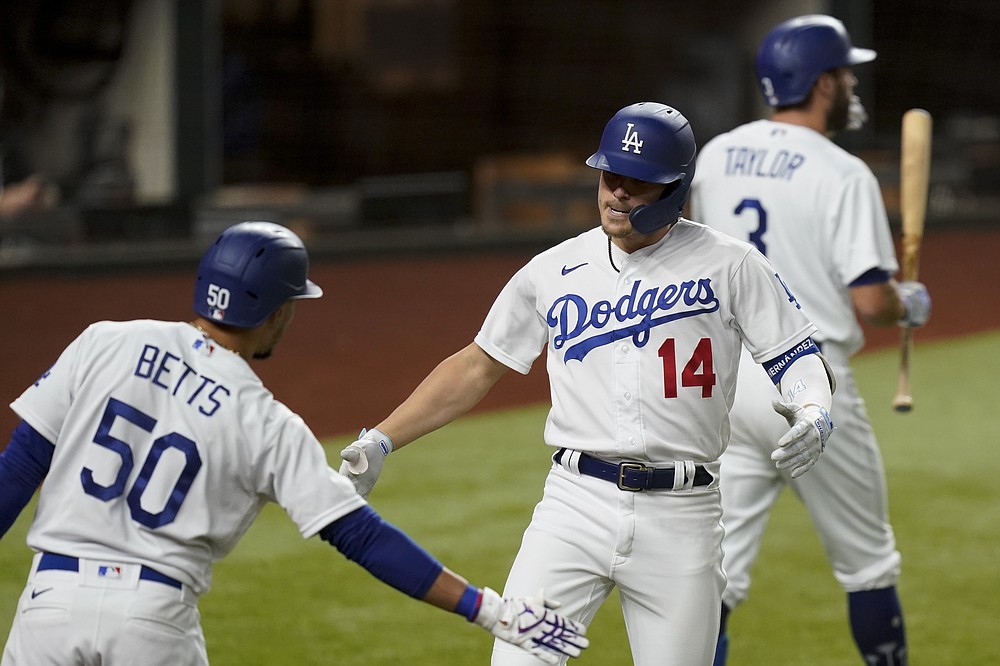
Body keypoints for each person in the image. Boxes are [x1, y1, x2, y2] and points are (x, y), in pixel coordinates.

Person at [338, 102, 836, 666]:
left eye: (637, 183)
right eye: (609, 176)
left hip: (683, 515)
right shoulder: (552, 269)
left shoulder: (732, 265)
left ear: (674, 189)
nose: (617, 193)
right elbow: (478, 365)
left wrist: (813, 407)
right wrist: (381, 438)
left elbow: (794, 354)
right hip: (574, 508)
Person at [0, 221, 588, 665]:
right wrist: (488, 609)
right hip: (151, 623)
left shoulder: (103, 343)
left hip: (48, 603)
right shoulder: (266, 422)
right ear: (278, 313)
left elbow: (20, 467)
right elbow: (360, 535)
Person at [688, 15, 931, 666]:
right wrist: (908, 303)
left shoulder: (716, 155)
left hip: (730, 385)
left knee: (715, 575)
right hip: (810, 386)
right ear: (822, 83)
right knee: (868, 563)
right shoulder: (842, 172)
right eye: (846, 73)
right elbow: (870, 300)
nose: (852, 84)